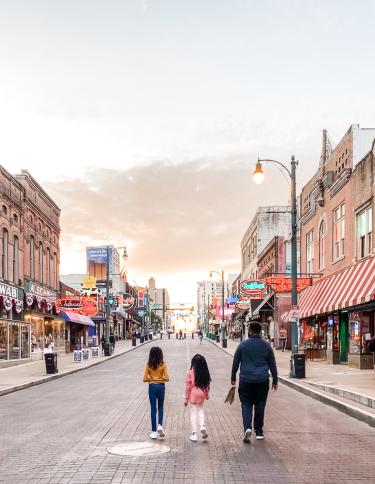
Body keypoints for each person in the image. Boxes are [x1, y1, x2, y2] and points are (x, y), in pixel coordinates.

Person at [231, 321, 278, 443]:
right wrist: (275, 380)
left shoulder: (242, 345)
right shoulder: (266, 346)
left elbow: (235, 362)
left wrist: (233, 378)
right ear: (259, 331)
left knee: (246, 404)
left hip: (245, 380)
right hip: (262, 380)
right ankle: (259, 432)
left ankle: (247, 428)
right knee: (260, 405)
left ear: (250, 331)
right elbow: (272, 364)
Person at [143, 347, 169, 439]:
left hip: (152, 387)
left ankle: (153, 431)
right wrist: (160, 378)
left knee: (153, 408)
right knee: (161, 407)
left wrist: (152, 379)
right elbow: (167, 378)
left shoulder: (148, 365)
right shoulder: (163, 365)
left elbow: (145, 379)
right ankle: (160, 426)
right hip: (161, 387)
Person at [184, 354, 211, 442]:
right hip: (202, 393)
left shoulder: (190, 372)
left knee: (193, 413)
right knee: (200, 410)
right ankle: (202, 426)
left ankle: (194, 434)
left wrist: (186, 399)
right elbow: (207, 385)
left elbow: (188, 387)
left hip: (193, 394)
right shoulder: (204, 371)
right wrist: (206, 395)